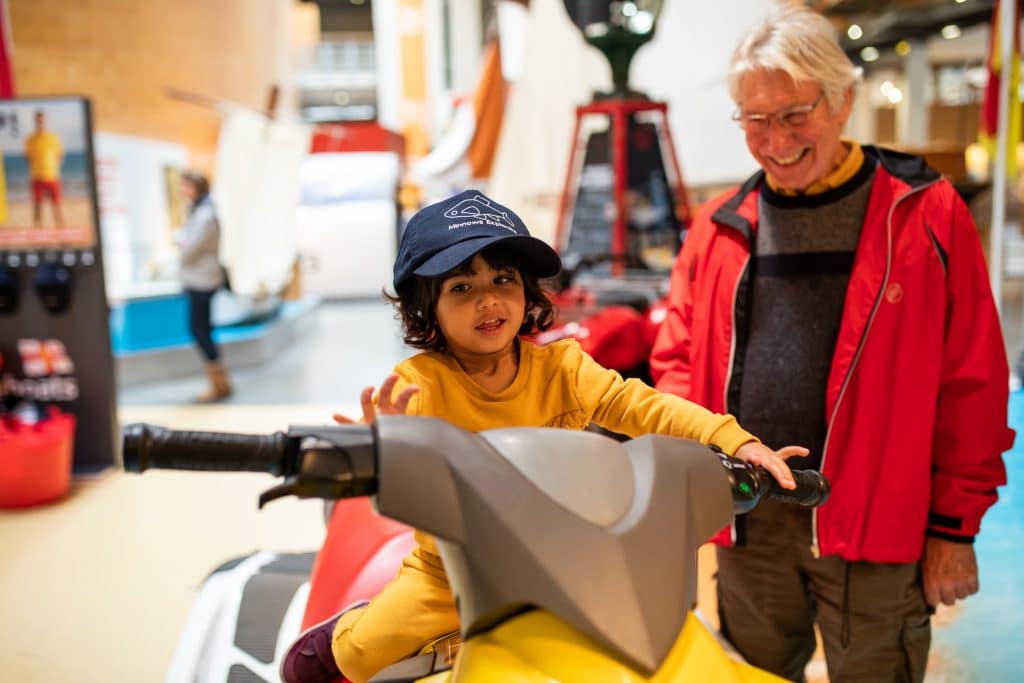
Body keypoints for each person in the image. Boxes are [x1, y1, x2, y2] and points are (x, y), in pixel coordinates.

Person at [280, 189, 806, 683]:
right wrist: (380, 446)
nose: (488, 301)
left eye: (502, 281)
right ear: (427, 308)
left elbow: (642, 405)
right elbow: (402, 459)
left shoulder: (565, 367)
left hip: (573, 563)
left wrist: (733, 440)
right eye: (461, 288)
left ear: (528, 294)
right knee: (361, 653)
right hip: (453, 574)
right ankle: (342, 631)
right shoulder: (421, 383)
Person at [649, 6, 1013, 682]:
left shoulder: (924, 216)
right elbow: (675, 361)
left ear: (844, 100)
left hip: (876, 530)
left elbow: (973, 384)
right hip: (750, 523)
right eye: (754, 120)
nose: (774, 140)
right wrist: (696, 478)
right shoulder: (718, 229)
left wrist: (954, 529)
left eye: (794, 114)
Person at [175, 170, 232, 402]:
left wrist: (178, 239)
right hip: (198, 279)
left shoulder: (206, 215)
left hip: (203, 280)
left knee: (199, 330)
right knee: (201, 330)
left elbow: (191, 249)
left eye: (186, 186)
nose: (183, 191)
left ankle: (219, 383)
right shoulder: (198, 212)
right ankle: (219, 382)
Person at [24, 110, 64, 229]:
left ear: (46, 121)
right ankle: (38, 229)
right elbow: (27, 157)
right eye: (38, 121)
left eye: (42, 120)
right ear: (35, 121)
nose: (40, 123)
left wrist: (54, 168)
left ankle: (60, 228)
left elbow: (59, 155)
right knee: (37, 205)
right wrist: (35, 168)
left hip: (52, 176)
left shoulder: (53, 137)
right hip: (36, 177)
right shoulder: (30, 139)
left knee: (57, 205)